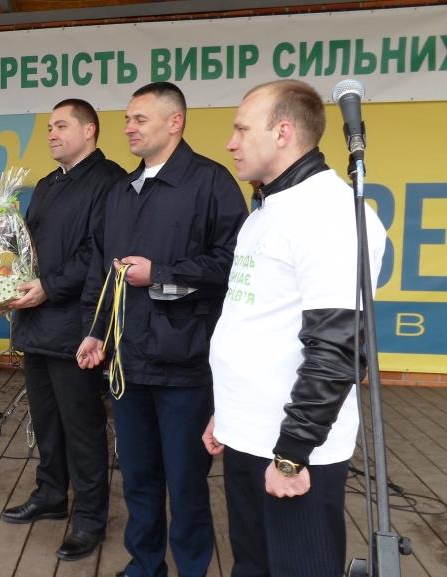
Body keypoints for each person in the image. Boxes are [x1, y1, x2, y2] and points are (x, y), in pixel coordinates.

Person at [202, 79, 387, 577]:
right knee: (252, 566)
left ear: (282, 132)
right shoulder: (266, 210)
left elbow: (337, 350)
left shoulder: (331, 214)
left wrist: (292, 455)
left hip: (293, 453)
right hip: (249, 435)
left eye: (242, 129)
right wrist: (228, 414)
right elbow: (256, 321)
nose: (231, 143)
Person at [76, 82, 247, 577]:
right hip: (127, 365)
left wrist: (161, 273)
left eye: (140, 119)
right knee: (137, 477)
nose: (128, 127)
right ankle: (145, 565)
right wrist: (96, 332)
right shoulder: (120, 191)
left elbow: (234, 264)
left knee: (187, 482)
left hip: (184, 365)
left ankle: (192, 568)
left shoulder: (211, 183)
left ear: (175, 122)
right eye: (127, 119)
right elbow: (104, 272)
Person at [0, 98, 126, 561]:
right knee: (46, 421)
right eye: (49, 127)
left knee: (83, 426)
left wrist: (49, 287)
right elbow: (32, 250)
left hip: (76, 327)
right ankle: (51, 493)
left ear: (89, 130)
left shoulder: (109, 181)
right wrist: (5, 249)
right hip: (35, 324)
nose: (51, 134)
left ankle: (90, 516)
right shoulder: (48, 184)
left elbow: (99, 255)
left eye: (61, 125)